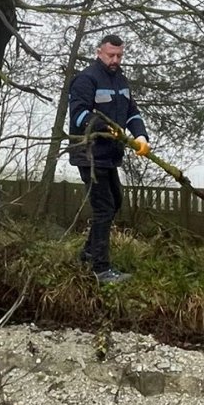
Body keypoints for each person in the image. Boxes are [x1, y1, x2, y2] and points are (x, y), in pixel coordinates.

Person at [67, 34, 150, 284]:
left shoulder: (121, 80)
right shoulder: (86, 79)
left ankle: (88, 254)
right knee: (104, 207)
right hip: (90, 154)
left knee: (115, 202)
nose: (115, 60)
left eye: (119, 56)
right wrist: (105, 126)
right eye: (111, 55)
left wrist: (141, 136)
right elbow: (79, 116)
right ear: (99, 52)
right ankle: (100, 269)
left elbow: (131, 112)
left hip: (110, 155)